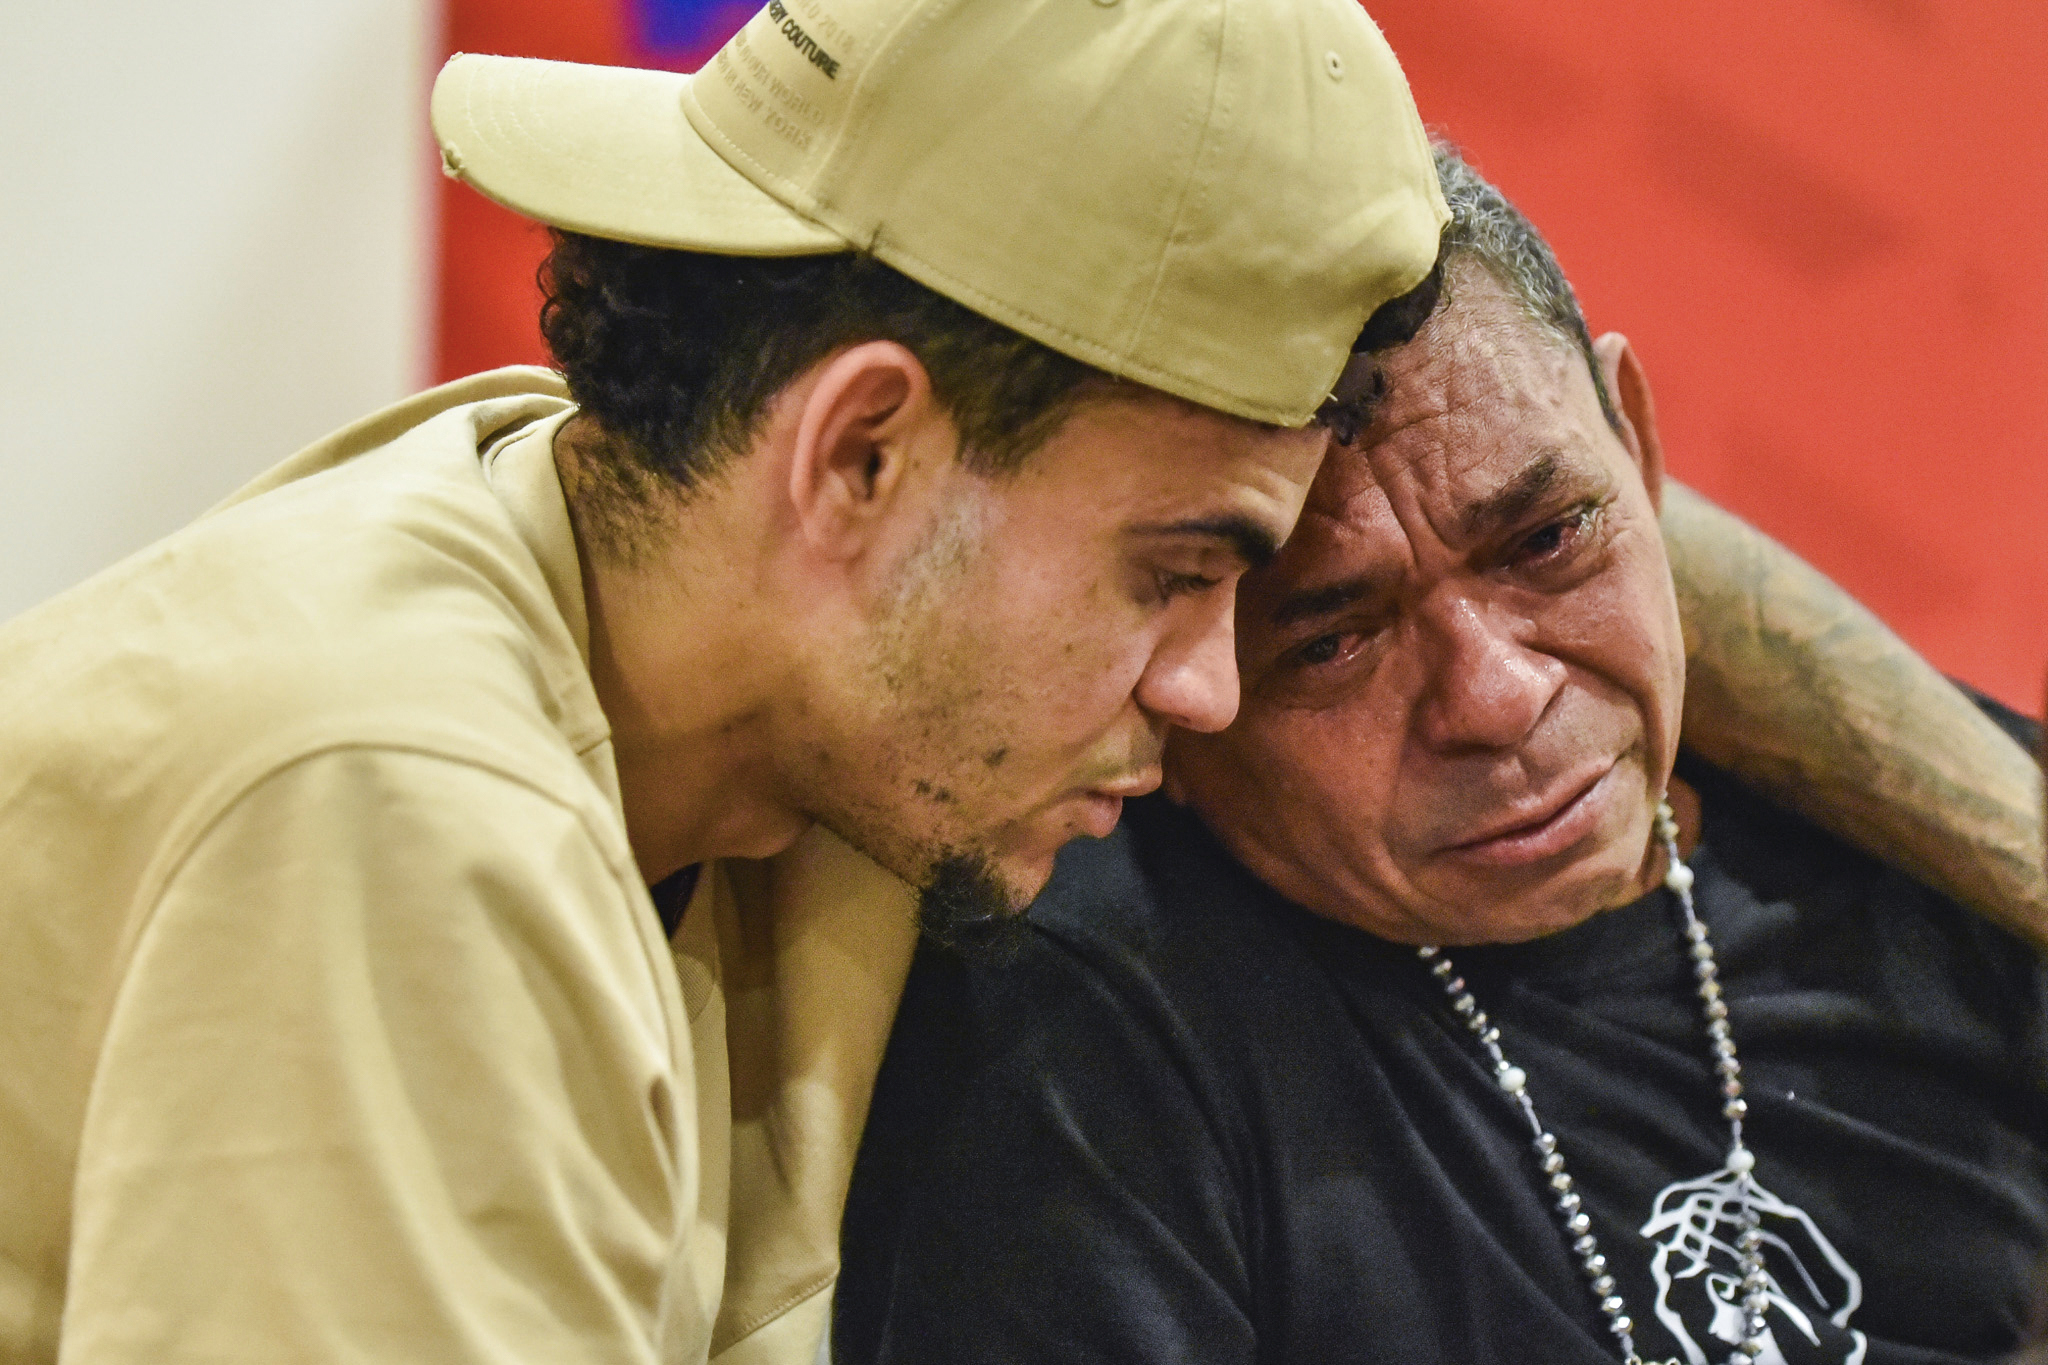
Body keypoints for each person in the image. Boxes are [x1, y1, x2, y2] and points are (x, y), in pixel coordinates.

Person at [0, 3, 1453, 1362]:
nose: (1207, 691)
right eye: (1174, 572)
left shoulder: (723, 658)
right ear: (859, 457)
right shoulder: (397, 802)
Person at [834, 147, 2048, 1365]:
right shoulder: (1081, 1047)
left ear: (1634, 441)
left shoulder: (1942, 846)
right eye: (1329, 644)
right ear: (1178, 665)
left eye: (1546, 540)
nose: (1497, 698)